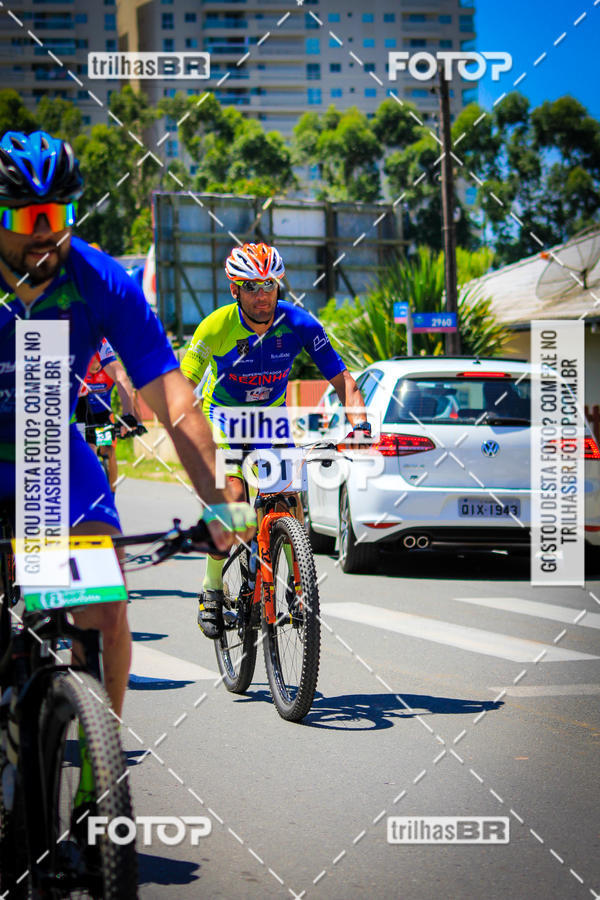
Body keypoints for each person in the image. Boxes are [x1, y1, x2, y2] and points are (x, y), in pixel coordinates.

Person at [0, 130, 256, 721]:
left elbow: (173, 398)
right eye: (25, 214)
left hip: (43, 444)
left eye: (57, 212)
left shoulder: (97, 279)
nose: (44, 229)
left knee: (105, 606)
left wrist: (220, 499)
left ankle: (99, 771)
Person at [181, 241, 370, 640]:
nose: (262, 295)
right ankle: (212, 589)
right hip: (226, 420)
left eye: (269, 285)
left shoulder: (299, 324)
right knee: (232, 504)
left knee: (289, 501)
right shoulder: (214, 327)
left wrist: (361, 428)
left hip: (271, 422)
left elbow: (345, 382)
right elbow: (183, 388)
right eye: (251, 287)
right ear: (234, 290)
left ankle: (298, 585)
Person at [75, 336, 146, 495]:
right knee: (86, 451)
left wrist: (131, 418)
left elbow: (125, 384)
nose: (95, 367)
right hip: (80, 409)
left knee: (108, 450)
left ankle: (111, 493)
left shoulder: (101, 343)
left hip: (102, 413)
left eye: (98, 364)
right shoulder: (77, 359)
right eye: (91, 365)